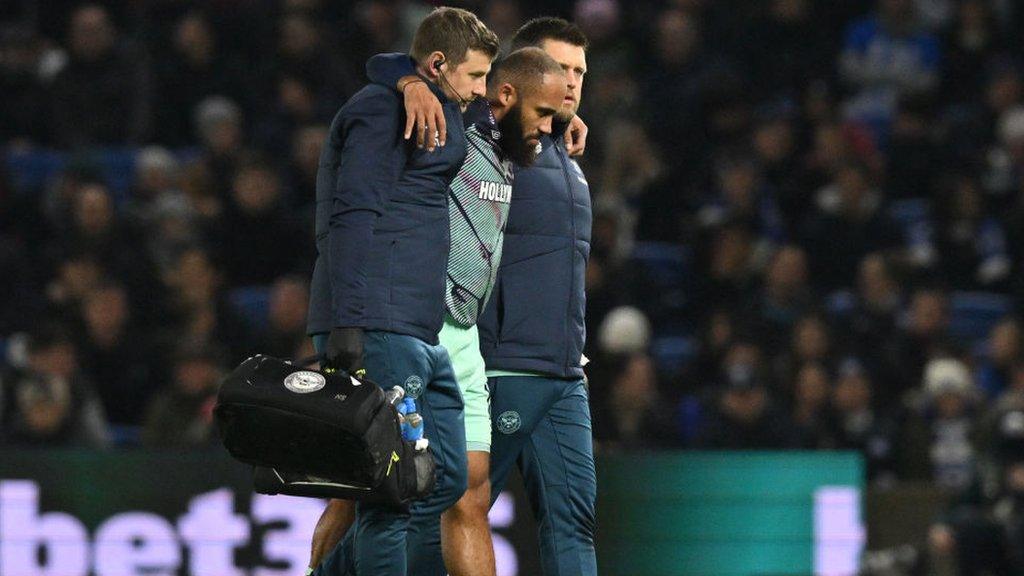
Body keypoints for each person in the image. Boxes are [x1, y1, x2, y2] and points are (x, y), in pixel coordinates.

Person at [310, 48, 569, 576]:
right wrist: (408, 81)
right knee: (360, 492)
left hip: (464, 330)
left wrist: (559, 114)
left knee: (468, 488)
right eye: (543, 114)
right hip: (414, 316)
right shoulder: (453, 118)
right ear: (505, 95)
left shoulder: (518, 143)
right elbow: (397, 59)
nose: (550, 128)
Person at [305, 8, 499, 575]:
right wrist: (348, 323)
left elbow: (395, 65)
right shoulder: (380, 107)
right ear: (440, 64)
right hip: (377, 319)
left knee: (443, 477)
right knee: (391, 492)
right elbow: (354, 210)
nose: (481, 92)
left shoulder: (420, 95)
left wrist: (406, 76)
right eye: (475, 77)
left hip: (416, 324)